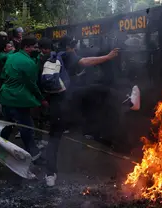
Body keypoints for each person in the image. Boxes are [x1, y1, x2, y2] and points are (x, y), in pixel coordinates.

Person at [43, 36, 119, 186]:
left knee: (55, 138)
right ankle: (54, 172)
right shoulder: (68, 54)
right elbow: (86, 61)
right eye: (75, 45)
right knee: (100, 90)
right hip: (67, 104)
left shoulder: (52, 57)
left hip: (56, 105)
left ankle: (51, 173)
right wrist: (108, 57)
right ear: (70, 46)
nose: (76, 48)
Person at [0, 36, 46, 160]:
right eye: (35, 47)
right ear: (27, 47)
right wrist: (41, 99)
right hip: (18, 99)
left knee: (7, 125)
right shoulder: (29, 62)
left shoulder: (11, 57)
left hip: (6, 96)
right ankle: (34, 153)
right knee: (27, 126)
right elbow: (32, 84)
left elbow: (3, 74)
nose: (38, 50)